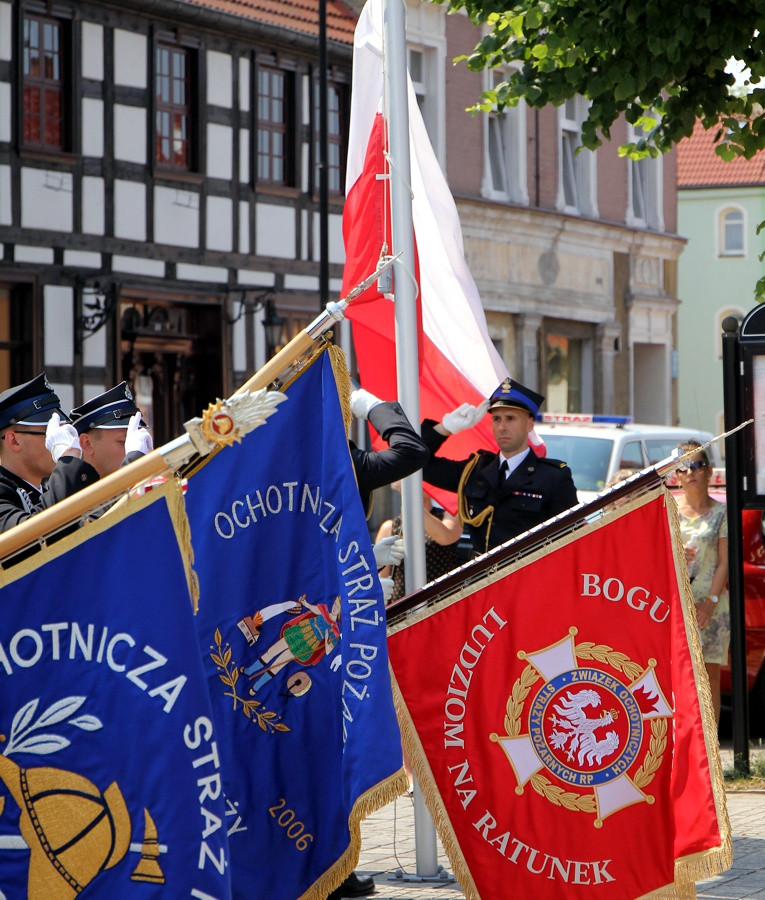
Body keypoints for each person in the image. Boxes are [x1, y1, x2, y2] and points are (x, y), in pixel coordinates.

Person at [329, 388, 430, 900]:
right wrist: (375, 408)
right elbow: (409, 450)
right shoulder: (325, 454)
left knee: (327, 743)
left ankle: (333, 864)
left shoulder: (336, 456)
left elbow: (414, 450)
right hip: (309, 617)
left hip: (329, 615)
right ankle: (324, 865)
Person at [421, 378, 578, 555]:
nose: (502, 426)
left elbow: (571, 537)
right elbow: (418, 464)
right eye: (496, 419)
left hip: (527, 576)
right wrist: (445, 427)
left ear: (529, 424)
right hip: (480, 577)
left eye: (510, 418)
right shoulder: (475, 470)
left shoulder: (553, 477)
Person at [0, 374, 99, 534]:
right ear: (14, 441)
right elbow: (30, 538)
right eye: (50, 434)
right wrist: (68, 461)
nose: (58, 441)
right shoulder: (5, 491)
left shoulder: (47, 492)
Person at [675, 441, 729, 726]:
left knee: (709, 680)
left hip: (712, 607)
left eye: (696, 465)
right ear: (677, 476)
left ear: (708, 471)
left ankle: (711, 758)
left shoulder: (722, 514)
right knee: (676, 679)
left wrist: (711, 603)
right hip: (673, 606)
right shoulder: (668, 509)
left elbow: (724, 563)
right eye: (683, 467)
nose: (690, 472)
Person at [375, 483, 461, 603]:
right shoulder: (390, 527)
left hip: (442, 603)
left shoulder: (449, 515)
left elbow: (446, 537)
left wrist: (414, 505)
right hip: (403, 605)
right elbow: (381, 576)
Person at [69, 382, 153, 477]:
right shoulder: (72, 491)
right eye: (124, 441)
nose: (136, 449)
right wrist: (133, 461)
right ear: (87, 443)